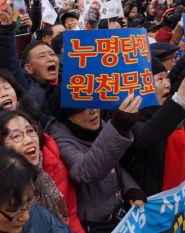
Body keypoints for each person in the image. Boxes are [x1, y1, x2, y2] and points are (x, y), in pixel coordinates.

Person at [0, 93, 84, 233]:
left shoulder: (53, 164)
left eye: (30, 131)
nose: (26, 216)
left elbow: (69, 218)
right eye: (16, 135)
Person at [46, 88, 147, 232]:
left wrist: (130, 188)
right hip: (92, 225)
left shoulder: (101, 127)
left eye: (93, 101)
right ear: (67, 116)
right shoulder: (60, 142)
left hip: (117, 218)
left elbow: (114, 164)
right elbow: (86, 171)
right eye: (81, 108)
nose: (93, 110)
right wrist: (118, 128)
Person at [121, 57, 185, 197]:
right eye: (160, 79)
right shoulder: (127, 117)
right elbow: (147, 135)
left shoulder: (171, 109)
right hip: (151, 203)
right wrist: (181, 99)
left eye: (167, 77)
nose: (167, 84)